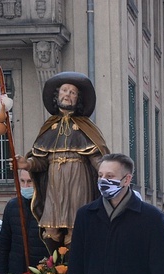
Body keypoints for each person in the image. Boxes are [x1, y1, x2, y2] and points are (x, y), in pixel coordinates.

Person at [16, 72, 110, 254]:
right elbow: (41, 162)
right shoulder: (48, 127)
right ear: (57, 95)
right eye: (64, 90)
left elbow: (97, 159)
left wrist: (109, 171)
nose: (68, 94)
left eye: (73, 92)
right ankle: (54, 270)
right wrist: (26, 165)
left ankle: (71, 270)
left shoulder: (87, 128)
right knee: (51, 229)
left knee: (75, 230)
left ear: (78, 98)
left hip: (78, 181)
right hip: (54, 184)